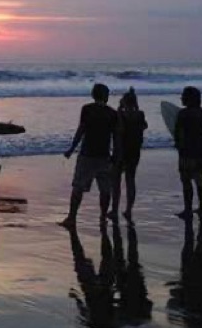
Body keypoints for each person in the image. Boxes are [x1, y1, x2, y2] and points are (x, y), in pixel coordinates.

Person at [60, 83, 118, 228]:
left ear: (93, 95)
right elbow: (116, 137)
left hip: (87, 155)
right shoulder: (112, 113)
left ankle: (71, 217)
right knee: (105, 190)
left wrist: (71, 149)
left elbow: (81, 131)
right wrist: (116, 155)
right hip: (104, 155)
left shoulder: (87, 109)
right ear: (105, 96)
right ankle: (103, 217)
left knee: (78, 186)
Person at [110, 87, 147, 222]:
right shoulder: (140, 115)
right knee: (130, 180)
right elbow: (144, 126)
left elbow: (118, 131)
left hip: (120, 151)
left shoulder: (120, 115)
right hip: (134, 151)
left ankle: (114, 210)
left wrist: (120, 108)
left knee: (116, 182)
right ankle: (128, 210)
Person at [175, 86, 202, 220]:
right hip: (200, 151)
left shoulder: (183, 114)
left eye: (183, 95)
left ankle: (188, 210)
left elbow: (179, 133)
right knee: (199, 178)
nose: (181, 97)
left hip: (187, 151)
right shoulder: (201, 112)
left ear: (188, 98)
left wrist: (179, 146)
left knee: (186, 180)